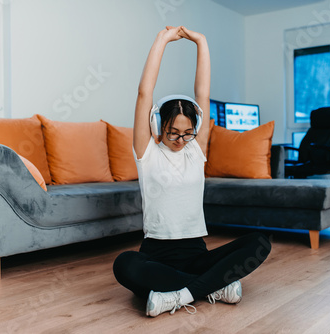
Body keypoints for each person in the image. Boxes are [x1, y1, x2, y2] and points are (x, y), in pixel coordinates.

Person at [113, 26, 271, 317]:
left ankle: (179, 295)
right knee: (124, 264)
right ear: (159, 127)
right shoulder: (147, 153)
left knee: (259, 243)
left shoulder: (195, 151)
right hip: (155, 254)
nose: (180, 140)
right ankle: (213, 287)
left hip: (197, 254)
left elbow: (203, 92)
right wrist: (161, 39)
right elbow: (143, 93)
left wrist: (202, 41)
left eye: (187, 133)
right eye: (173, 132)